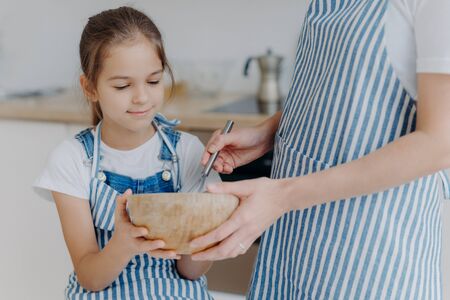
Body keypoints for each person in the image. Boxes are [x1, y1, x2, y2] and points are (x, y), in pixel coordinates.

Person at [190, 0, 450, 299]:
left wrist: (282, 196)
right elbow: (343, 89)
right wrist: (271, 133)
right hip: (295, 239)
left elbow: (439, 142)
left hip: (368, 248)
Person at [33, 6, 219, 299]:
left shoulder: (187, 152)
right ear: (90, 87)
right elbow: (90, 277)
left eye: (154, 81)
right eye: (123, 85)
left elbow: (190, 272)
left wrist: (210, 222)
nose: (142, 97)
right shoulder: (72, 159)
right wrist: (124, 243)